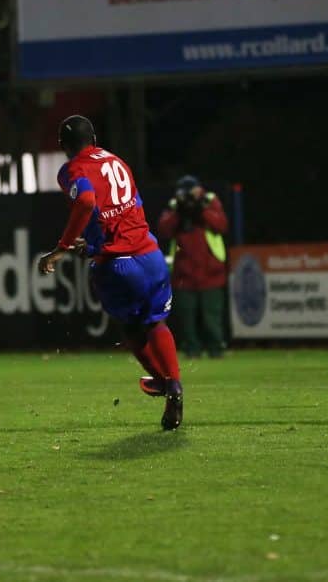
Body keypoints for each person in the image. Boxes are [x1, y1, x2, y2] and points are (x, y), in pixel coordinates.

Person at [36, 115, 183, 430]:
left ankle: (161, 378)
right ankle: (173, 384)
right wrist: (91, 244)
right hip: (150, 254)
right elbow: (129, 210)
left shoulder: (72, 169)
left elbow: (87, 200)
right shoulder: (118, 162)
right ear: (94, 137)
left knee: (131, 329)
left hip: (119, 266)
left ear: (64, 145)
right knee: (156, 322)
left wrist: (62, 247)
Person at [157, 175, 229, 358]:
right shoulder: (176, 205)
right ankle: (191, 349)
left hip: (210, 271)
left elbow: (221, 225)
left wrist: (201, 210)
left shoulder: (209, 201)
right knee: (186, 316)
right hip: (184, 272)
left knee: (211, 316)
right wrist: (180, 211)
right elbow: (164, 229)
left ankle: (216, 348)